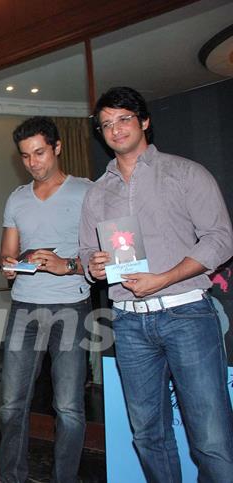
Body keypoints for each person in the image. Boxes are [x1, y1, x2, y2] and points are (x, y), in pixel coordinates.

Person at [79, 86, 233, 482]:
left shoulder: (185, 173)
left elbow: (220, 238)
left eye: (124, 119)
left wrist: (165, 278)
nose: (115, 129)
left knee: (211, 438)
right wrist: (93, 266)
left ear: (144, 121)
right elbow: (85, 253)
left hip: (187, 313)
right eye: (106, 124)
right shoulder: (97, 192)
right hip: (129, 323)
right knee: (148, 435)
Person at [0, 117, 92, 483]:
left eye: (39, 152)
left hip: (71, 304)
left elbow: (107, 258)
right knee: (9, 406)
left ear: (57, 147)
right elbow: (6, 255)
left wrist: (64, 264)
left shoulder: (86, 192)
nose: (34, 162)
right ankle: (12, 478)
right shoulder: (16, 199)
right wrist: (9, 265)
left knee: (68, 407)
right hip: (24, 306)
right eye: (25, 156)